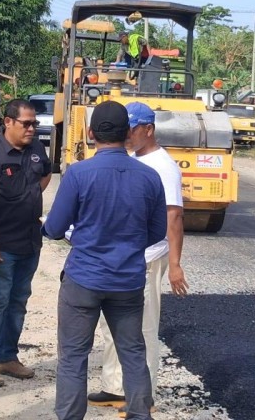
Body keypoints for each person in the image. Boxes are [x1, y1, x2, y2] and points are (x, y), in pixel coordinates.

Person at [42, 100, 167, 420]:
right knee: (133, 351)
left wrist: (82, 235)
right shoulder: (149, 177)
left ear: (90, 133)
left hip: (83, 279)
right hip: (127, 281)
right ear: (127, 133)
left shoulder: (79, 173)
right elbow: (157, 232)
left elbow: (55, 228)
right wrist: (125, 246)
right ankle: (141, 414)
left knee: (73, 356)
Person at [88, 102, 188, 416]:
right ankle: (115, 387)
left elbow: (174, 218)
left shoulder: (163, 166)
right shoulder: (134, 158)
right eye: (126, 129)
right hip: (126, 259)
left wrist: (174, 264)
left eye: (134, 129)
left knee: (143, 330)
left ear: (149, 128)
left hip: (149, 258)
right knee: (113, 326)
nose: (128, 134)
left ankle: (142, 398)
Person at [0, 99, 52, 388]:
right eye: (27, 123)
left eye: (35, 123)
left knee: (18, 302)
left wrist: (29, 193)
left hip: (30, 241)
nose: (33, 128)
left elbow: (45, 173)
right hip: (1, 244)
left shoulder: (35, 149)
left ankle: (8, 358)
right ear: (8, 122)